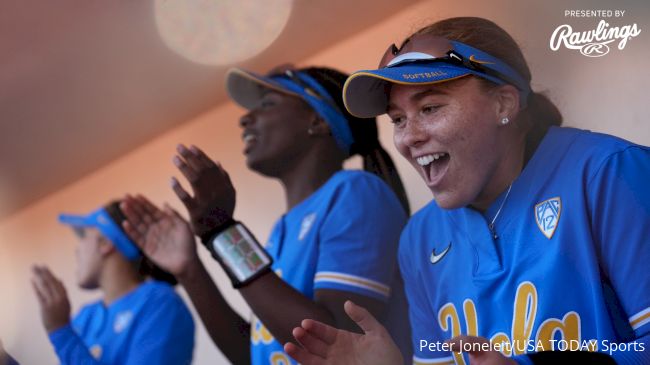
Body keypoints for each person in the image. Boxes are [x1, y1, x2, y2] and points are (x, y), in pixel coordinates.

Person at [284, 17, 650, 365]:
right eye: (397, 119)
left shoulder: (609, 171)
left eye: (429, 107)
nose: (409, 137)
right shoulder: (420, 237)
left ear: (503, 103)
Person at [120, 65, 413, 365]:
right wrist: (190, 270)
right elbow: (253, 354)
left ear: (317, 120)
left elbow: (337, 346)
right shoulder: (281, 229)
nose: (245, 117)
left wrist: (224, 233)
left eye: (268, 104)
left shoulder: (355, 192)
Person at [30, 201, 195, 365]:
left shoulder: (159, 303)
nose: (77, 250)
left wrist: (60, 331)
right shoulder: (84, 317)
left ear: (105, 243)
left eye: (84, 237)